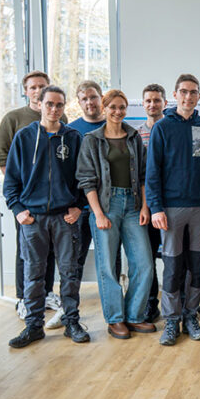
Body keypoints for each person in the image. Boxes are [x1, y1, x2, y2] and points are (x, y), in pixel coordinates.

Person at [4, 85, 90, 347]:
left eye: (59, 105)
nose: (54, 109)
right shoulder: (24, 137)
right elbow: (11, 182)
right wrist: (18, 211)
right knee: (34, 274)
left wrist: (79, 207)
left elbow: (85, 178)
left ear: (65, 107)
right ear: (39, 104)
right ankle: (33, 325)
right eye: (50, 104)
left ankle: (72, 321)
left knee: (70, 272)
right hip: (34, 220)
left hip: (65, 218)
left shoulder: (74, 138)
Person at [146, 74, 200, 346]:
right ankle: (171, 320)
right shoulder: (163, 128)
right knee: (173, 266)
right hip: (171, 209)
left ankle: (191, 316)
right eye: (184, 92)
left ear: (199, 96)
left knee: (197, 266)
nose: (188, 97)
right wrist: (156, 208)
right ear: (175, 95)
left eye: (193, 92)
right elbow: (152, 172)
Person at [76, 89, 155, 339]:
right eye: (113, 107)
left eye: (122, 107)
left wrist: (144, 206)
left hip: (132, 206)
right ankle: (115, 319)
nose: (118, 112)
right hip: (105, 206)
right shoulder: (91, 139)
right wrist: (97, 213)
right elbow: (86, 180)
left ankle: (134, 315)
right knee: (108, 267)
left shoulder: (133, 137)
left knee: (144, 263)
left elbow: (143, 176)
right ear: (104, 108)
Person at [0, 70, 61, 322]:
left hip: (53, 202)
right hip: (27, 202)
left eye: (42, 87)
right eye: (33, 87)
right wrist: (21, 192)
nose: (38, 91)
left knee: (50, 251)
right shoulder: (14, 118)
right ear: (26, 90)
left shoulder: (59, 116)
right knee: (26, 251)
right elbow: (3, 157)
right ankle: (26, 298)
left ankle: (46, 293)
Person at [68, 81, 108, 291]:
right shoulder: (71, 130)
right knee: (75, 261)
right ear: (79, 102)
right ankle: (69, 310)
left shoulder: (113, 125)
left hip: (109, 206)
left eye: (93, 97)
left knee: (110, 261)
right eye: (84, 99)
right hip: (80, 209)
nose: (90, 102)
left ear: (101, 98)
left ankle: (114, 311)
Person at [137, 83, 167, 323]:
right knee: (146, 258)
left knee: (173, 258)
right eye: (148, 100)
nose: (152, 104)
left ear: (165, 103)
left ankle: (174, 304)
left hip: (172, 205)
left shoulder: (172, 129)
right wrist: (145, 206)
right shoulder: (135, 135)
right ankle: (150, 305)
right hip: (146, 207)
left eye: (157, 100)